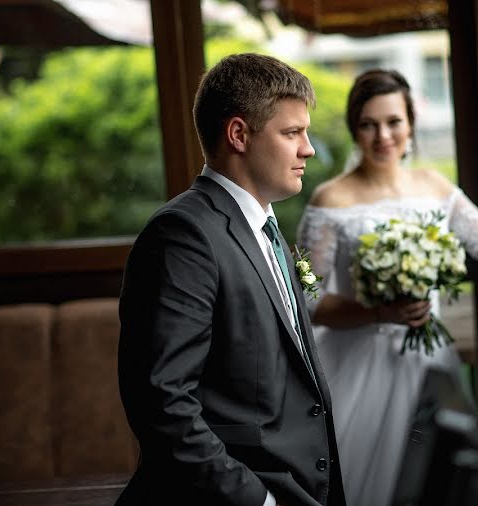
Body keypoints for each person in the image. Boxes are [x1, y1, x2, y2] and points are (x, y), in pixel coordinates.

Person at [116, 53, 345, 506]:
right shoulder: (182, 236)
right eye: (291, 133)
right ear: (239, 134)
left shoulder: (268, 228)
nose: (309, 148)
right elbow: (162, 403)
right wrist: (257, 501)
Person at [296, 69, 478, 506]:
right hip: (358, 368)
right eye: (369, 124)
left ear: (411, 123)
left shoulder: (433, 187)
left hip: (428, 361)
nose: (383, 135)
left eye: (394, 122)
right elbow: (306, 295)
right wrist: (378, 313)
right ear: (354, 129)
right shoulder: (329, 199)